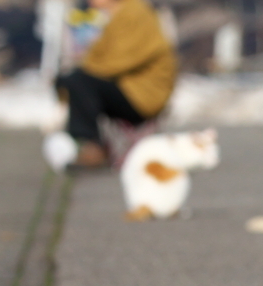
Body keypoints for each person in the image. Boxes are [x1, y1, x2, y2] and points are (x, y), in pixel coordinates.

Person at [55, 0, 177, 167]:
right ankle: (86, 142)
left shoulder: (134, 12)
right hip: (129, 88)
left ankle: (91, 145)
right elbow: (99, 57)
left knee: (79, 82)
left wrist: (82, 72)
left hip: (142, 96)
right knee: (73, 80)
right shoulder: (120, 14)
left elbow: (120, 60)